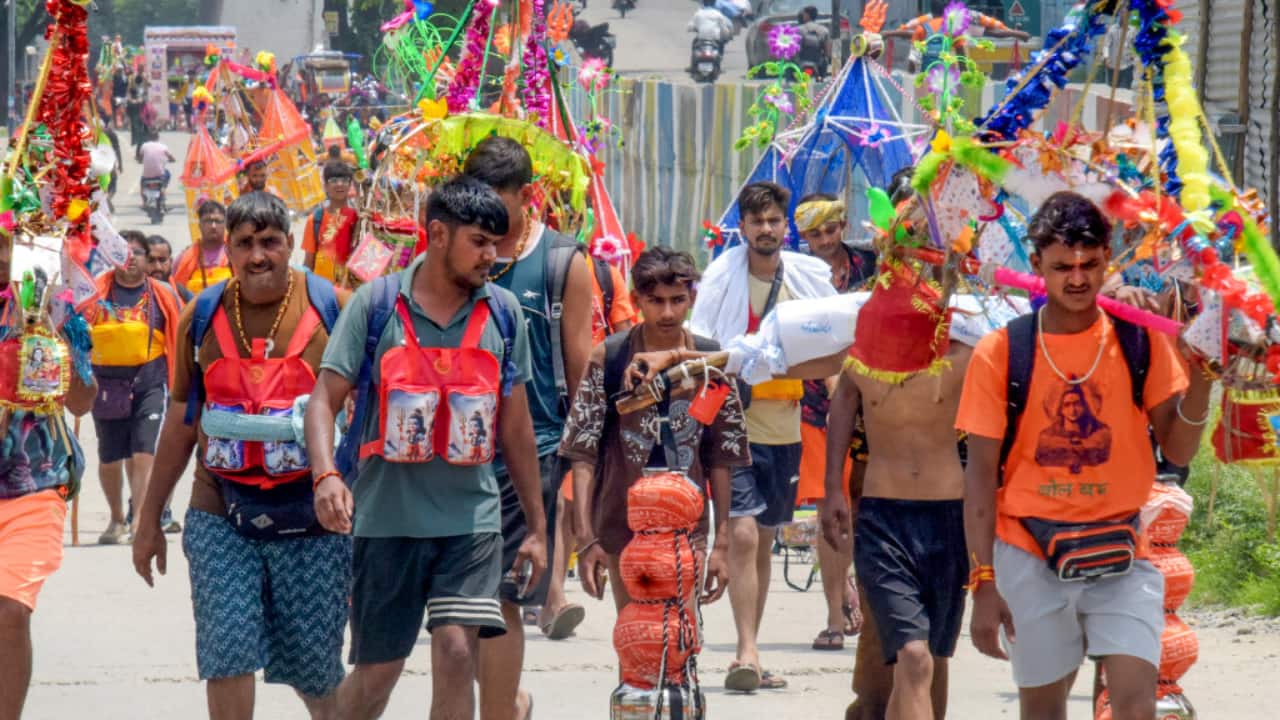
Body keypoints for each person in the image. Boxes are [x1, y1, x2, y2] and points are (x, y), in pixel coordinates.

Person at [956, 192, 1214, 720]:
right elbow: (980, 480)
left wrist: (1204, 380)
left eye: (1090, 265)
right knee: (1045, 709)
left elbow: (1177, 447)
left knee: (1138, 705)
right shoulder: (1001, 351)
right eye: (1062, 267)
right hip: (1029, 552)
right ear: (1036, 266)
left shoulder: (1137, 340)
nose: (1077, 279)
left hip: (1122, 549)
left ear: (1107, 261)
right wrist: (983, 584)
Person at [305, 175, 548, 720]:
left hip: (472, 521)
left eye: (497, 243)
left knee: (460, 651)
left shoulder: (504, 315)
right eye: (479, 242)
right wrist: (326, 476)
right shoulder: (376, 306)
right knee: (375, 681)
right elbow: (322, 400)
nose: (492, 255)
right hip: (386, 521)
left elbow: (516, 429)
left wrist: (536, 526)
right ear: (437, 235)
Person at [132, 192, 352, 719]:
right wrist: (148, 520)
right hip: (220, 512)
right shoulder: (199, 317)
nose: (258, 256)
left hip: (313, 518)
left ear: (290, 246)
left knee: (316, 671)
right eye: (245, 243)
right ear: (227, 249)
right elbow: (182, 420)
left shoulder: (335, 309)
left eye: (270, 242)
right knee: (226, 652)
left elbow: (368, 410)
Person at [462, 135, 593, 719]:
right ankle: (506, 699)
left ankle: (500, 709)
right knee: (460, 603)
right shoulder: (458, 258)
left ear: (527, 196)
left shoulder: (564, 262)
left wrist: (586, 464)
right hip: (456, 452)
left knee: (504, 598)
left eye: (497, 198)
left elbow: (583, 368)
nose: (484, 212)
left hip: (532, 447)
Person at [690, 180, 836, 692]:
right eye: (757, 222)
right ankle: (744, 652)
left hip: (786, 428)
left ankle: (750, 642)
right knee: (744, 532)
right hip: (734, 427)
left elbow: (835, 339)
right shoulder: (721, 279)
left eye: (775, 221)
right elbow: (703, 339)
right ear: (744, 228)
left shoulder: (807, 279)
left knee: (767, 535)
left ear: (785, 226)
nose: (767, 229)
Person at [819, 249, 973, 719]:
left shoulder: (967, 348)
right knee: (911, 653)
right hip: (883, 515)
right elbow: (841, 400)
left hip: (949, 518)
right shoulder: (865, 348)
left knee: (932, 656)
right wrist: (831, 490)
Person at [562, 246, 747, 620]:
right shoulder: (609, 358)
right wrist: (586, 539)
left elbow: (721, 459)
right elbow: (583, 453)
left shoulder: (710, 363)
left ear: (692, 299)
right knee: (635, 636)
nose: (667, 312)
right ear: (636, 299)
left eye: (678, 300)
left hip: (687, 528)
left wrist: (722, 543)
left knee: (680, 633)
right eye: (655, 300)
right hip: (622, 524)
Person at [0, 235, 97, 720]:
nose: (1, 257)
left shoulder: (60, 315)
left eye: (8, 246)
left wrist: (51, 339)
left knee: (11, 610)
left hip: (34, 484)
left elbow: (82, 401)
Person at [793, 193, 873, 651]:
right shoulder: (796, 275)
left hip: (876, 403)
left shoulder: (873, 263)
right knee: (831, 509)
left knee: (866, 508)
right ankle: (834, 618)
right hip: (816, 407)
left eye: (830, 229)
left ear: (843, 224)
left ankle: (861, 594)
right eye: (813, 233)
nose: (823, 240)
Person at [87, 231, 184, 544]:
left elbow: (181, 337)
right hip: (104, 385)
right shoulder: (94, 292)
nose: (131, 261)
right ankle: (116, 519)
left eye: (137, 254)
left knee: (144, 451)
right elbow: (77, 331)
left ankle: (140, 518)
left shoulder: (163, 295)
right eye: (123, 254)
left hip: (150, 381)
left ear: (146, 259)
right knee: (110, 457)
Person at [303, 161, 359, 284]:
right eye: (333, 180)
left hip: (350, 290)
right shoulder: (315, 219)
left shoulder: (358, 219)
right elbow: (308, 261)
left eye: (344, 180)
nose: (339, 184)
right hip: (322, 289)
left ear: (350, 185)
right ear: (326, 186)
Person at [172, 200, 233, 294]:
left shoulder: (235, 252)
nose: (213, 226)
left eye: (218, 221)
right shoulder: (185, 258)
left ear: (225, 224)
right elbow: (176, 292)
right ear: (200, 225)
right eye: (208, 221)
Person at [147, 235, 194, 303]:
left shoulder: (181, 293)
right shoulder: (136, 295)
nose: (157, 267)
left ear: (171, 261)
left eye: (162, 260)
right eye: (150, 260)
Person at [795, 5, 832, 76]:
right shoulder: (824, 30)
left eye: (804, 14)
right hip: (818, 63)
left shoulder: (798, 30)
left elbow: (795, 50)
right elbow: (827, 51)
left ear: (807, 15)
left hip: (801, 63)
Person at [126, 70, 148, 157]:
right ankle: (139, 154)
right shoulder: (132, 89)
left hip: (143, 115)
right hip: (135, 114)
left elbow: (145, 98)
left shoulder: (143, 89)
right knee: (139, 134)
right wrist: (133, 101)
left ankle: (141, 154)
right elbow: (129, 99)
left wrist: (141, 101)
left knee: (143, 134)